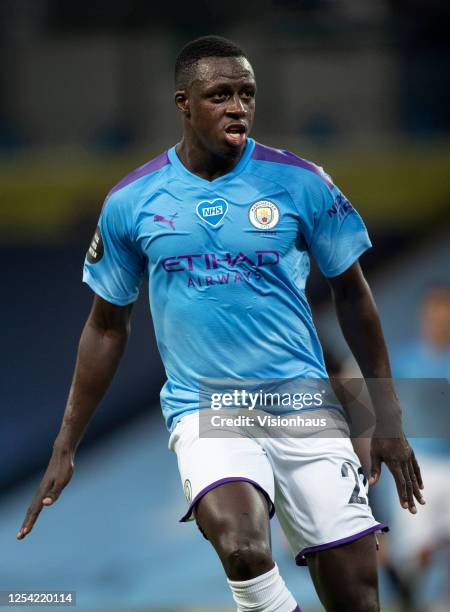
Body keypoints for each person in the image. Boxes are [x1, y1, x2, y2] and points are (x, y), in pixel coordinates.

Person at [17, 36, 425, 612]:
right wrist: (66, 443)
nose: (237, 107)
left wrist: (386, 416)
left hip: (303, 408)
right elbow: (107, 327)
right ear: (184, 103)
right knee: (242, 548)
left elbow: (354, 297)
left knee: (357, 596)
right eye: (220, 95)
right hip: (208, 408)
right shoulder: (132, 201)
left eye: (246, 94)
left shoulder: (304, 182)